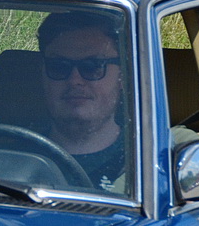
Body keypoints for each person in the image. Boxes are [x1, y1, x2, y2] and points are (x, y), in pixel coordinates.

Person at [35, 11, 129, 193]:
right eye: (59, 67)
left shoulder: (154, 156)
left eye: (93, 66)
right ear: (42, 75)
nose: (74, 80)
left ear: (122, 76)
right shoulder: (5, 154)